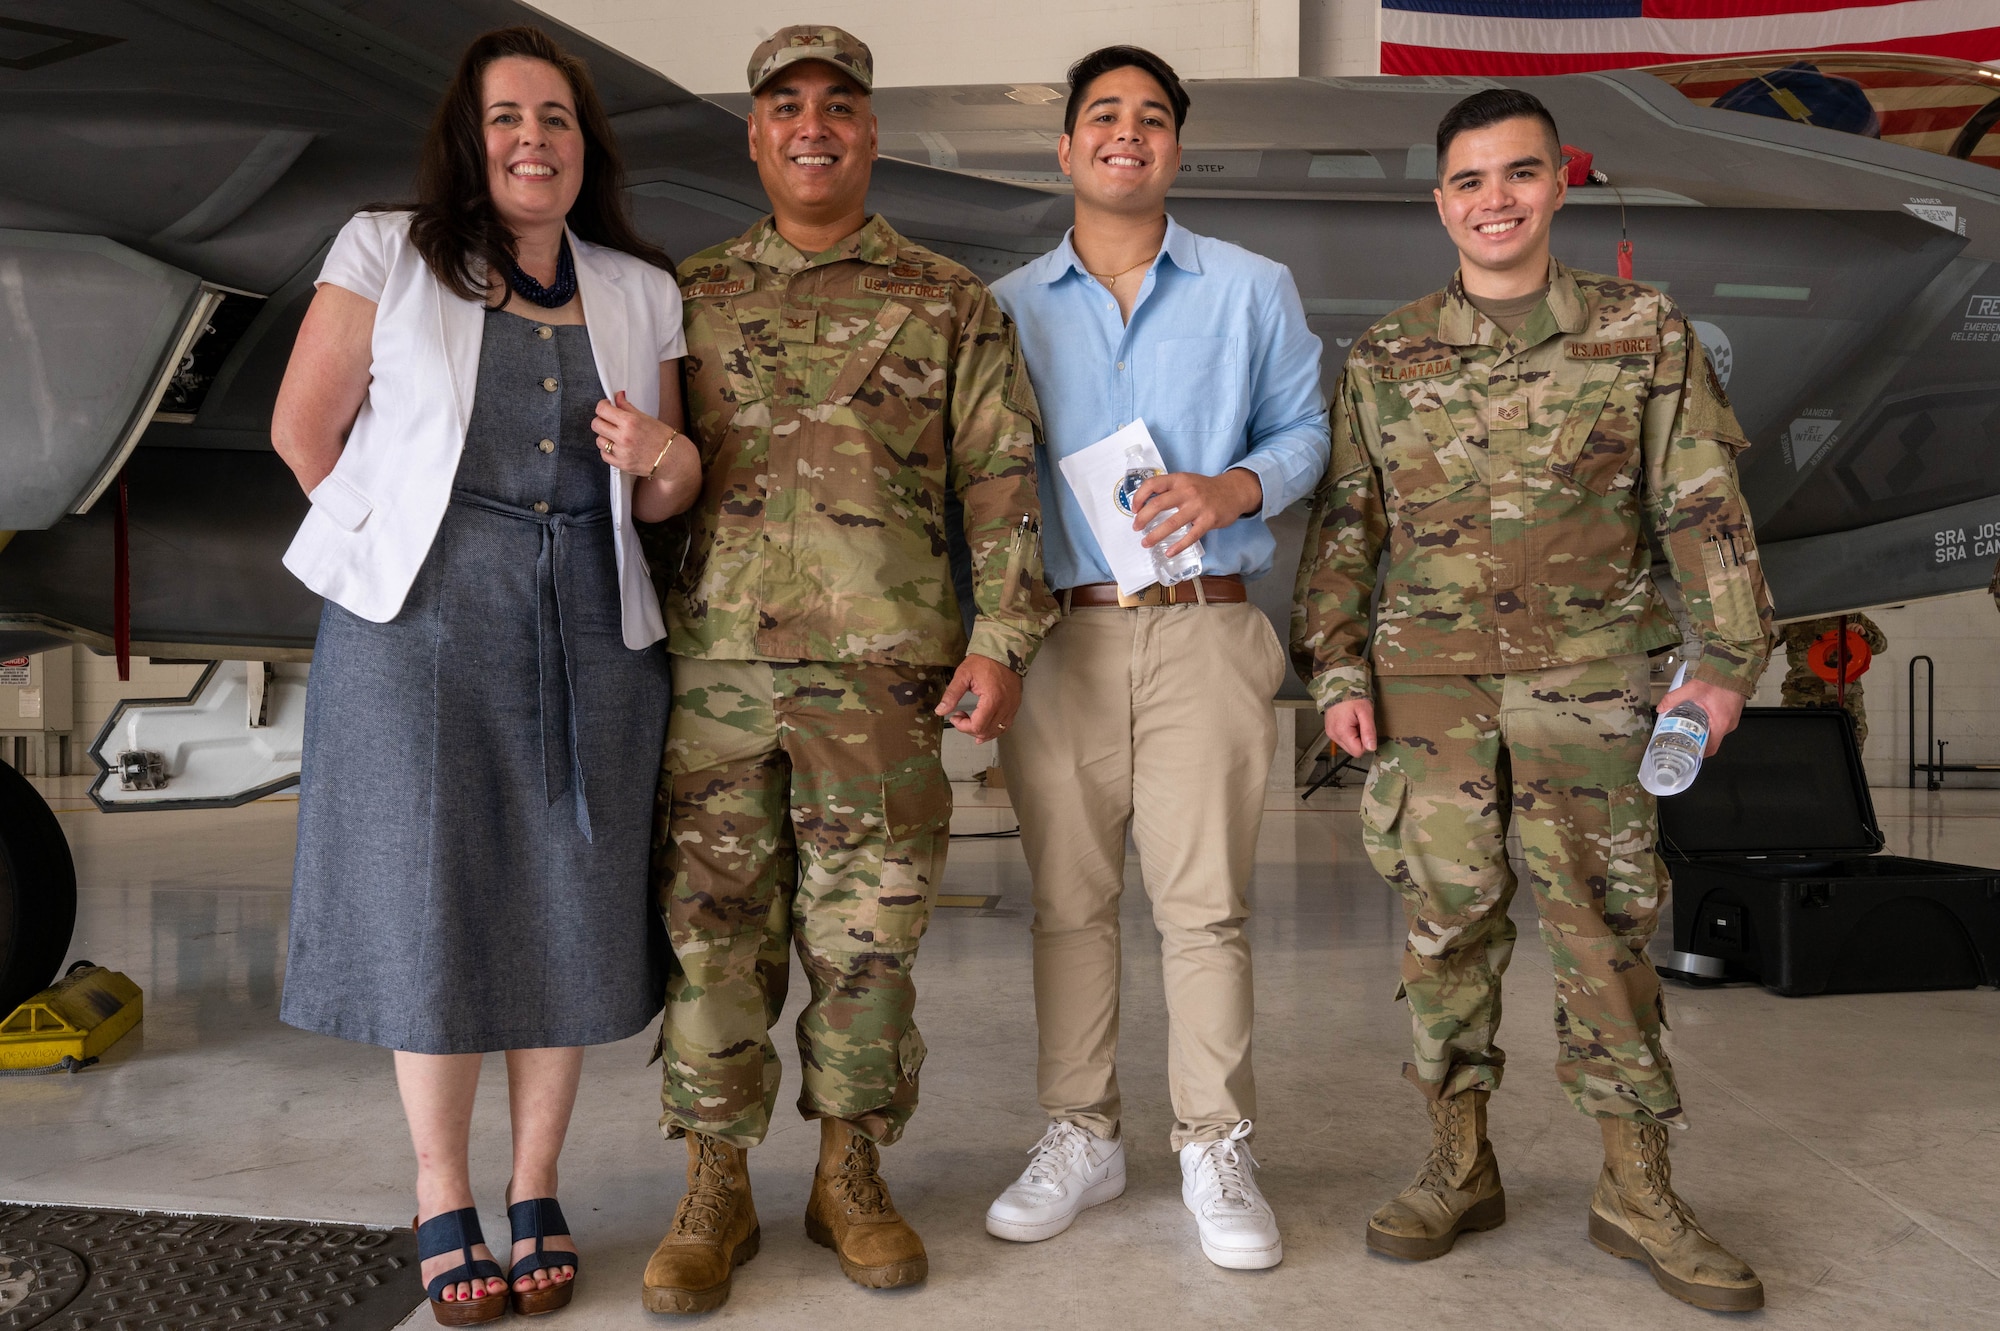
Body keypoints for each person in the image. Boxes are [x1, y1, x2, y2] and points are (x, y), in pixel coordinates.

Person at [1291, 88, 1774, 1312]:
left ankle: (1633, 1182)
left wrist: (1721, 662)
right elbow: (1345, 526)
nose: (1492, 199)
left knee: (1603, 934)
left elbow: (1700, 500)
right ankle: (1456, 1160)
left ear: (1558, 185)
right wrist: (1336, 671)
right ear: (1438, 199)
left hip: (1594, 685)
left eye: (1516, 174)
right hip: (1426, 697)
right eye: (1467, 179)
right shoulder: (1387, 354)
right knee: (1443, 930)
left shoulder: (1640, 332)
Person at [272, 26, 700, 1324]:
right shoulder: (385, 249)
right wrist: (387, 561)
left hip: (590, 633)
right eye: (509, 115)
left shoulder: (636, 287)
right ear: (472, 136)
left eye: (558, 118)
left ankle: (535, 1184)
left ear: (587, 145)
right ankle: (442, 1190)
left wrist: (658, 450)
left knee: (566, 902)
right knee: (436, 900)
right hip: (419, 639)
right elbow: (305, 429)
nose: (533, 138)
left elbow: (679, 485)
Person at [636, 26, 1055, 1314]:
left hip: (884, 679)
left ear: (870, 133)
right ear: (754, 136)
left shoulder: (946, 300)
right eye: (784, 105)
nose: (811, 124)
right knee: (713, 939)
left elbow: (998, 476)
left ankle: (848, 1172)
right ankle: (714, 1185)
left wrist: (1000, 637)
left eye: (837, 104)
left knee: (865, 943)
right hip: (714, 678)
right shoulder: (685, 297)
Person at [979, 46, 1327, 1272]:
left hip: (1207, 623)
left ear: (1175, 147)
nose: (1126, 134)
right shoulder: (1007, 307)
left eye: (1150, 118)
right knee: (1069, 905)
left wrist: (1233, 482)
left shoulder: (1249, 288)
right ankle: (1080, 1132)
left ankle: (1211, 1143)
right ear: (1065, 149)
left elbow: (1307, 429)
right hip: (1064, 636)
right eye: (1101, 118)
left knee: (1204, 908)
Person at [1779, 614, 1888, 747]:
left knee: (1849, 746)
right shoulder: (1794, 613)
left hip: (1844, 696)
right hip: (1800, 696)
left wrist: (1863, 634)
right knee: (1794, 746)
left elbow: (1880, 645)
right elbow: (1764, 641)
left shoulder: (1850, 614)